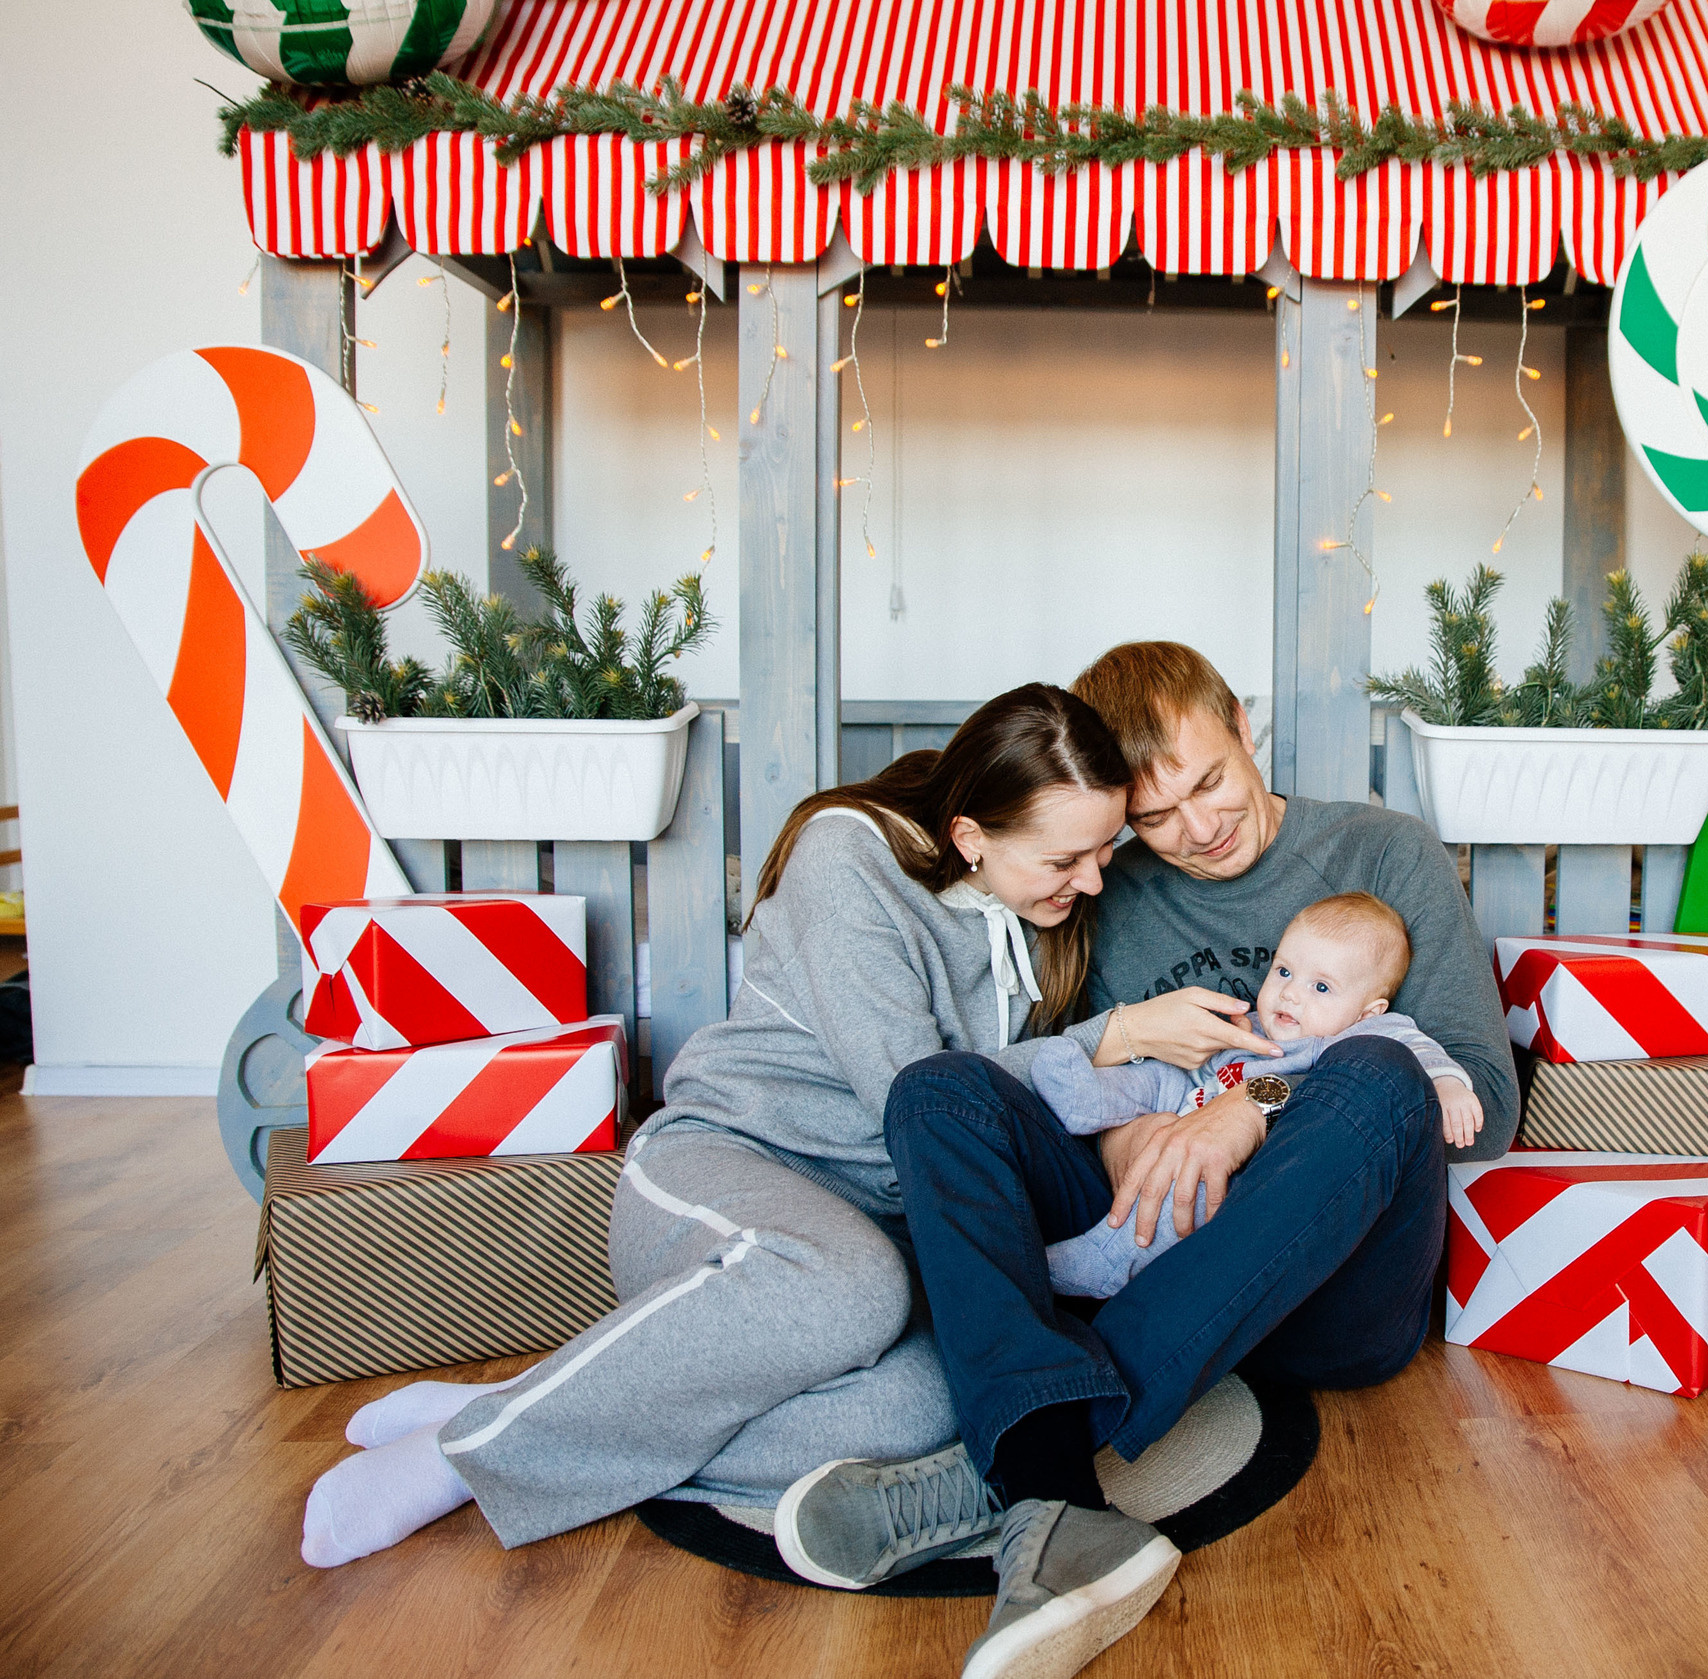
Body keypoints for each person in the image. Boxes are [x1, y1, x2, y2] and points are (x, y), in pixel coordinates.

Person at [296, 684, 1135, 1604]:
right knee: (848, 1286)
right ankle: (467, 1455)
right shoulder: (847, 857)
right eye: (1067, 858)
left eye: (1106, 849)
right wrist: (1106, 1041)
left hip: (877, 1229)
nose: (1095, 880)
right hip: (728, 1169)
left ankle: (549, 1400)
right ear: (971, 834)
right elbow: (914, 1092)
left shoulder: (1044, 916)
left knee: (938, 1405)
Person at [778, 643, 1516, 1679]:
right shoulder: (1107, 887)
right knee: (937, 1089)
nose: (1198, 828)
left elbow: (1480, 1100)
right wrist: (1138, 1139)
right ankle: (1057, 1494)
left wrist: (1251, 1110)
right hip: (1156, 1235)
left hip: (1332, 1285)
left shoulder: (1383, 852)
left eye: (1209, 781)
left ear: (1243, 727)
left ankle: (1016, 1462)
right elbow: (1086, 1083)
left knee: (1382, 1068)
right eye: (1155, 815)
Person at [1038, 891, 1483, 1297]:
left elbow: (1414, 1050)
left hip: (1242, 1165)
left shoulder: (1360, 1035)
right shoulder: (1251, 1025)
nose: (1289, 993)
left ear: (1368, 1012)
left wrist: (1447, 1084)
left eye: (1321, 987)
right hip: (1192, 1103)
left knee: (1195, 1185)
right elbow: (1191, 1074)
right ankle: (1086, 1097)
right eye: (1284, 971)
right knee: (1160, 1073)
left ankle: (1110, 1259)